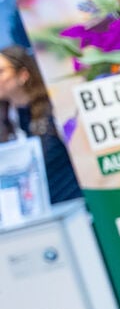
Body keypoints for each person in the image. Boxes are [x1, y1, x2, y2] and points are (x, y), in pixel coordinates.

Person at [0, 45, 83, 204]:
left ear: (23, 75)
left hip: (75, 204)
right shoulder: (7, 120)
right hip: (40, 215)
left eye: (1, 72)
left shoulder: (54, 109)